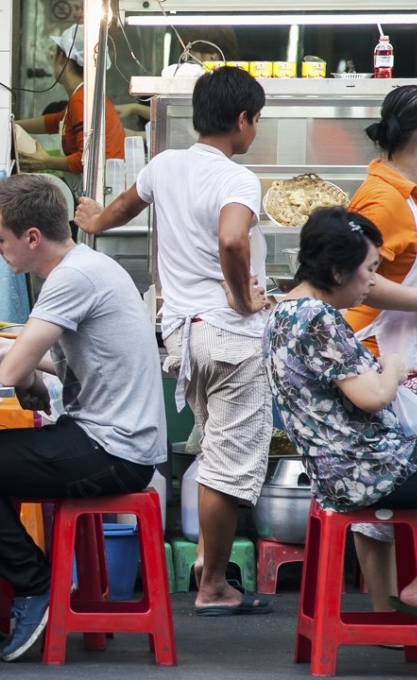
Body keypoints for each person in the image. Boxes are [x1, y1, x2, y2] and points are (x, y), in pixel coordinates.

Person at [0, 173, 166, 661]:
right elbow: (63, 365)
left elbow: (12, 373)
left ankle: (36, 586)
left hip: (112, 448)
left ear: (32, 237)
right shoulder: (87, 266)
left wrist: (7, 357)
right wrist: (12, 354)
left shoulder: (71, 277)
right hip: (110, 440)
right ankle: (31, 584)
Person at [75, 66, 272, 616]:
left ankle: (210, 576)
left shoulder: (163, 166)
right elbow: (233, 239)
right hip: (229, 335)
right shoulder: (237, 179)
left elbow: (114, 215)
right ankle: (211, 586)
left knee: (212, 455)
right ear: (241, 120)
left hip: (184, 336)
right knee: (226, 466)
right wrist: (240, 296)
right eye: (256, 121)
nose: (254, 132)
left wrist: (90, 216)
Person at [265, 206, 417, 617]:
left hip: (338, 472)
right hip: (370, 471)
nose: (372, 281)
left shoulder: (283, 312)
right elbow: (372, 396)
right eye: (369, 269)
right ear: (336, 273)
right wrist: (393, 367)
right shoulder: (319, 318)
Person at [341, 84, 417, 613]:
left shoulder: (404, 190)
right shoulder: (383, 198)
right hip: (379, 350)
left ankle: (386, 609)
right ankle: (388, 605)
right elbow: (356, 279)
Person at [14, 24, 126, 181]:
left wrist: (46, 162)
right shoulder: (82, 97)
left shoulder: (82, 100)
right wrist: (13, 125)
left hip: (103, 183)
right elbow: (57, 121)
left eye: (54, 56)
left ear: (62, 58)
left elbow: (86, 158)